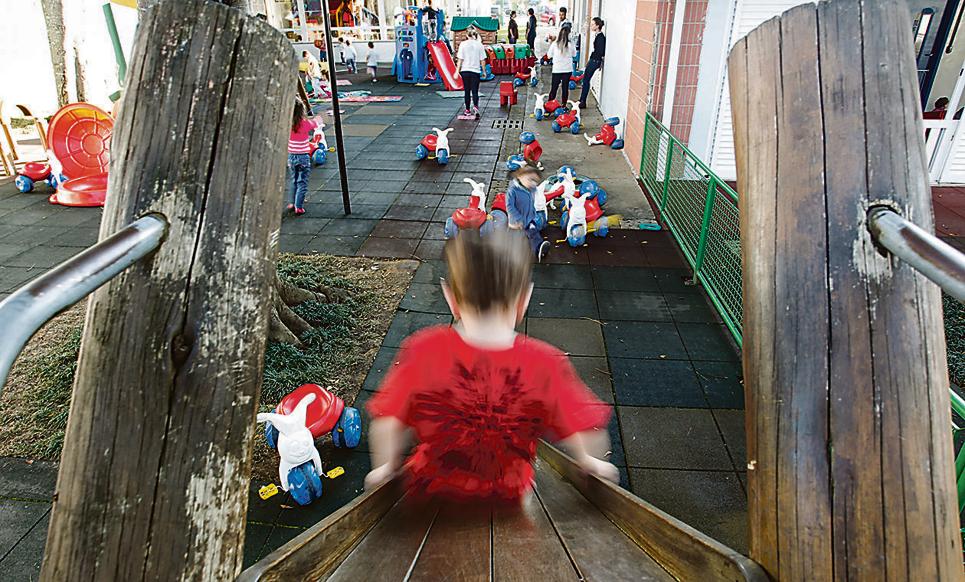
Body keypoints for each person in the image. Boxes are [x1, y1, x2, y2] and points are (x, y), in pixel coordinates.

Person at [363, 230, 617, 502]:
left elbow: (388, 421)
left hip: (432, 493)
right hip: (507, 497)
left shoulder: (421, 350)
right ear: (524, 301)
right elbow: (587, 427)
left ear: (451, 300)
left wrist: (384, 467)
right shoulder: (546, 363)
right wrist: (591, 461)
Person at [507, 166, 550, 262]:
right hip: (517, 222)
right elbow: (510, 206)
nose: (533, 183)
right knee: (516, 238)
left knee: (533, 233)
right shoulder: (513, 191)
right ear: (520, 177)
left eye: (534, 181)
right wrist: (518, 218)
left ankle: (539, 248)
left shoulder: (530, 189)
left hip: (529, 218)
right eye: (530, 180)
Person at [287, 99, 318, 216]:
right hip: (303, 157)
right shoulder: (304, 123)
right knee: (302, 182)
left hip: (291, 156)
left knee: (294, 180)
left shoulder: (288, 123)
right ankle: (298, 207)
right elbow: (315, 123)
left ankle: (292, 203)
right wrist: (319, 119)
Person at [456, 27, 487, 119]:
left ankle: (467, 110)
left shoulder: (463, 44)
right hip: (475, 71)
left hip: (465, 70)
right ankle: (476, 106)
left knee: (466, 91)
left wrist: (457, 71)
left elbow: (460, 59)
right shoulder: (479, 45)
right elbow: (482, 60)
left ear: (466, 35)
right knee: (475, 91)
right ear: (475, 34)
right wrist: (484, 71)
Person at [578, 18, 606, 110]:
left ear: (598, 26)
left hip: (595, 60)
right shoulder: (598, 36)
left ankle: (582, 101)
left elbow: (600, 51)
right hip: (594, 60)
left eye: (593, 24)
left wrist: (597, 61)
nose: (591, 26)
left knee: (586, 80)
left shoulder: (600, 37)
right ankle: (582, 100)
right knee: (585, 79)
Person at [546, 26, 576, 104]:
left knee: (554, 88)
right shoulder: (571, 45)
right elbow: (574, 54)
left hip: (557, 69)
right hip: (567, 69)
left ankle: (549, 105)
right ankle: (564, 105)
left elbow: (549, 56)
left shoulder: (555, 44)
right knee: (565, 88)